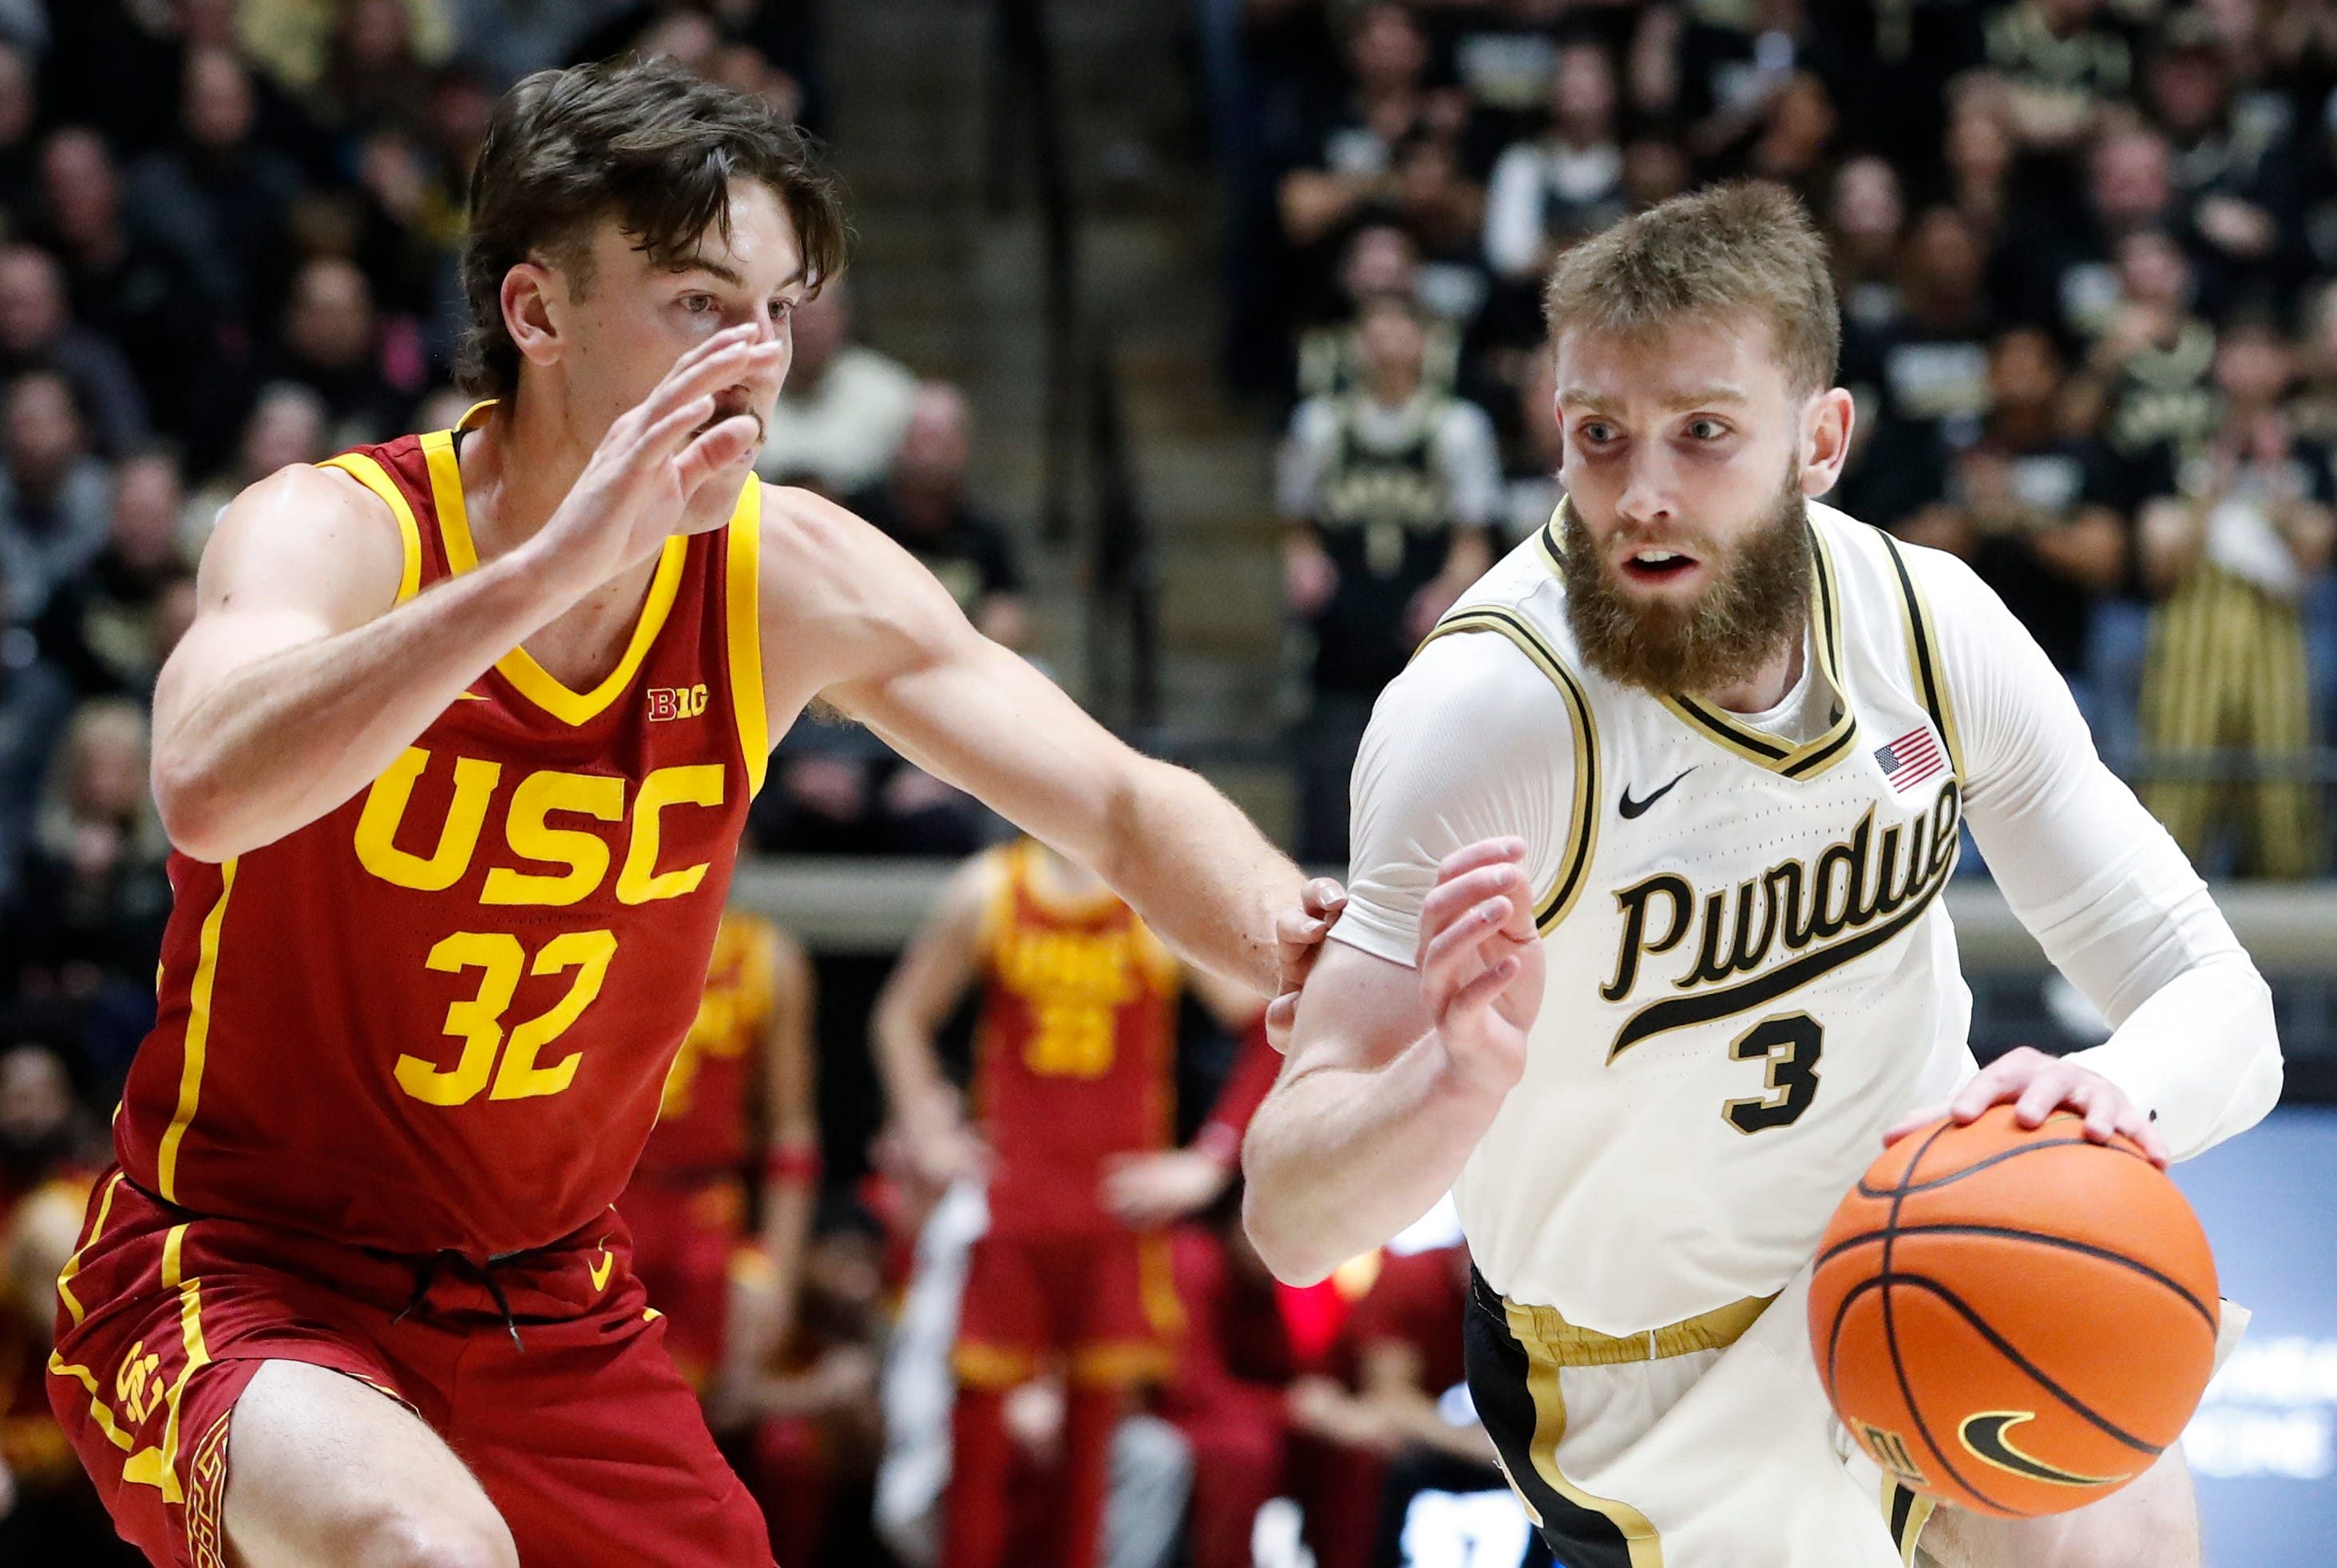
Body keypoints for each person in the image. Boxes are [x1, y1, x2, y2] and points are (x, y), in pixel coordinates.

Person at [48, 57, 1321, 1568]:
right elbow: (200, 782)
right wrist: (533, 574)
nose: (758, 357)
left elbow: (1113, 798)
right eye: (703, 303)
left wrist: (1291, 933)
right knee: (421, 1546)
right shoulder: (335, 529)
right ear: (536, 315)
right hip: (237, 1271)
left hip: (548, 1301)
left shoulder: (787, 577)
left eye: (779, 311)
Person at [1244, 182, 2282, 1568]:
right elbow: (1290, 1214)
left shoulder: (1927, 621)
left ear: (1822, 440)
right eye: (1597, 435)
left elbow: (2218, 997)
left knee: (2129, 1531)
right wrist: (1447, 1087)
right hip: (1642, 1375)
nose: (1643, 492)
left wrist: (2116, 1095)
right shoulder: (1484, 712)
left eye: (1704, 433)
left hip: (1932, 1252)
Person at [870, 835, 1267, 1568]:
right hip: (1007, 1213)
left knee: (1090, 1466)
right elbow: (900, 1019)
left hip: (1112, 1217)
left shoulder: (1154, 894)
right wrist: (929, 1130)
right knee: (975, 1461)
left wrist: (1211, 1162)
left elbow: (1270, 1025)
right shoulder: (989, 888)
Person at [614, 907, 817, 1400]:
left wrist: (779, 1274)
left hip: (706, 1210)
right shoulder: (591, 942)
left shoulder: (769, 959)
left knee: (700, 1409)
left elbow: (790, 1133)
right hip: (604, 1206)